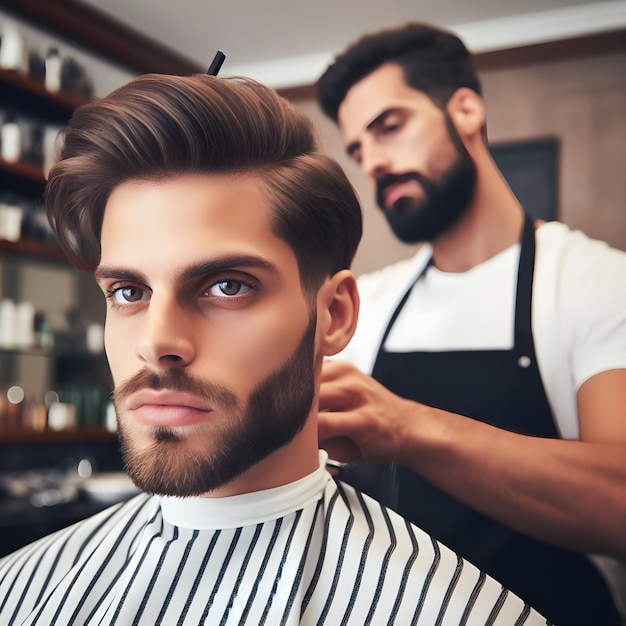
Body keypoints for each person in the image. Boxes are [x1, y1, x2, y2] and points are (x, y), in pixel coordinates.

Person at [0, 74, 548, 625]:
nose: (155, 341)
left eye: (227, 286)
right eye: (128, 292)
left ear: (333, 315)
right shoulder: (19, 589)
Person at [316, 22, 626, 626]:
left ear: (465, 110)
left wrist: (406, 427)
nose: (373, 162)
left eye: (390, 127)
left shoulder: (595, 281)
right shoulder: (371, 302)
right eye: (358, 149)